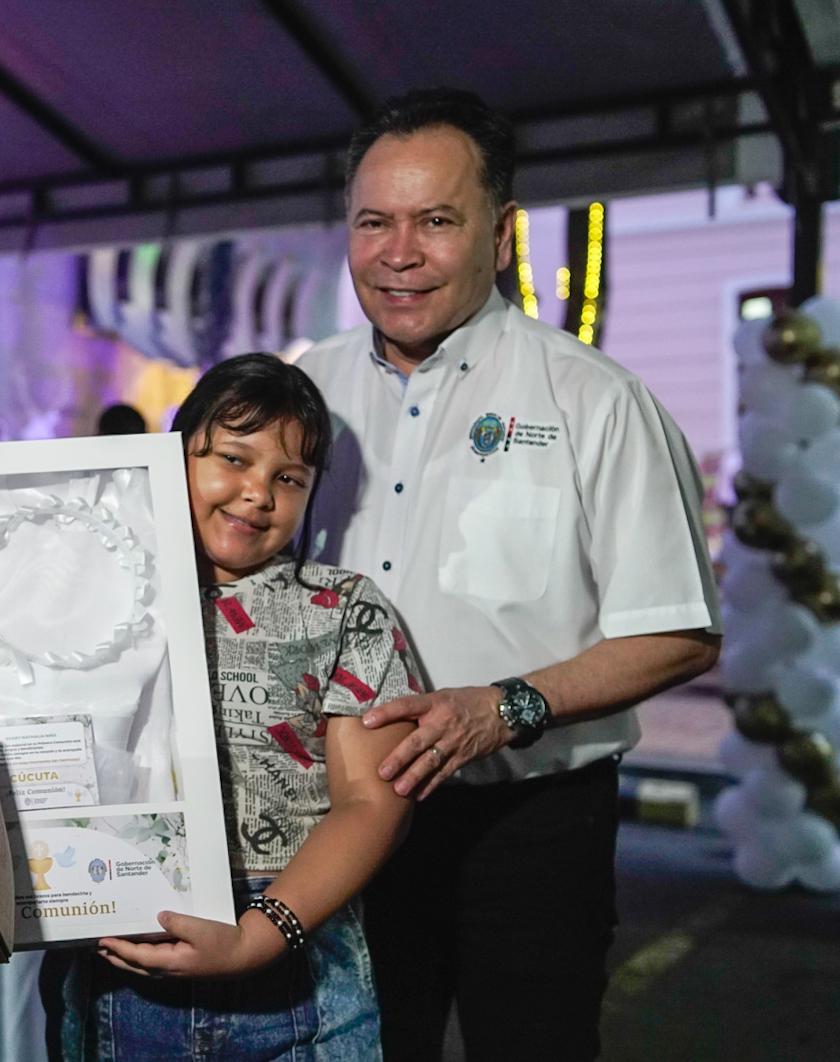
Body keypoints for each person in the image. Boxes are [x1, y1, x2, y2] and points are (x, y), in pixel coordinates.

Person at [296, 89, 722, 1062]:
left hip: (528, 827)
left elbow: (678, 632)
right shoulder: (306, 390)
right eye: (373, 222)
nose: (398, 253)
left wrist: (503, 707)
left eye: (434, 221)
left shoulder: (592, 399)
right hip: (340, 817)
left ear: (498, 234)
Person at [48, 353, 422, 1061]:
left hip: (301, 963)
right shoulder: (94, 595)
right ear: (175, 454)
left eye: (289, 478)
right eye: (233, 459)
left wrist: (261, 933)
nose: (258, 494)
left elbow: (373, 802)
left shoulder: (345, 609)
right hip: (118, 955)